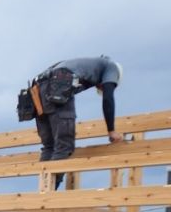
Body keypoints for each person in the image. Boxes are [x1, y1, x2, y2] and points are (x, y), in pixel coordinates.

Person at [18, 56, 123, 187]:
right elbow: (108, 98)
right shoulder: (111, 67)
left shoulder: (83, 64)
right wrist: (111, 130)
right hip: (58, 84)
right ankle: (47, 195)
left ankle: (43, 192)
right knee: (63, 146)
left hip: (37, 90)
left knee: (49, 147)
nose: (100, 88)